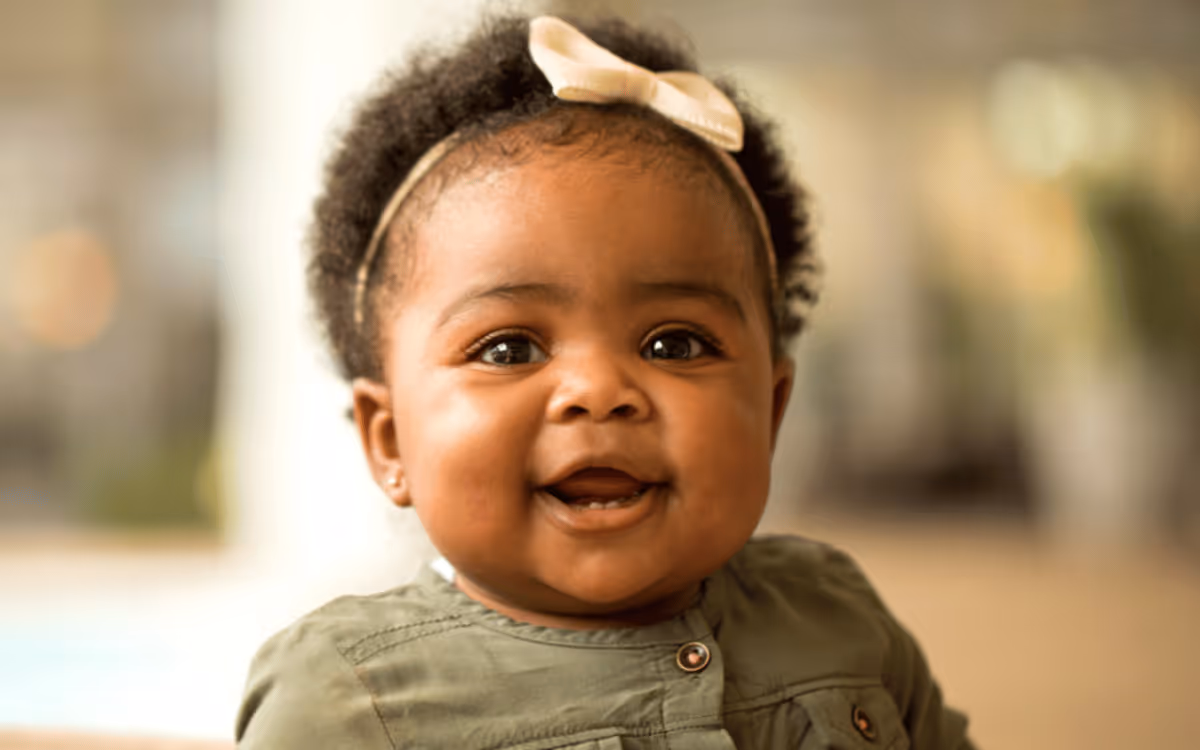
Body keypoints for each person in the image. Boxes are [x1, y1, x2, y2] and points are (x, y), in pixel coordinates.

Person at [234, 13, 976, 749]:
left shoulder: (834, 611)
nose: (597, 389)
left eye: (675, 343)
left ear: (771, 409)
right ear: (389, 440)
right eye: (507, 349)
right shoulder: (348, 704)